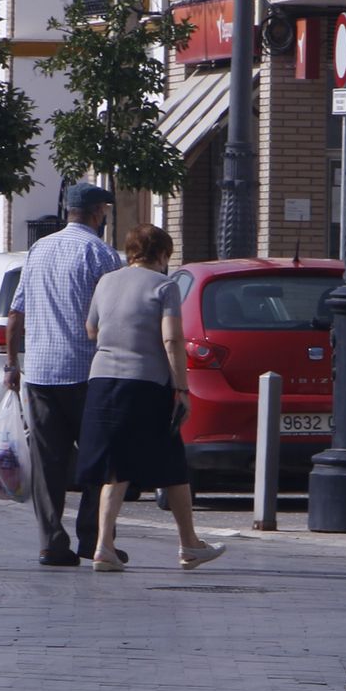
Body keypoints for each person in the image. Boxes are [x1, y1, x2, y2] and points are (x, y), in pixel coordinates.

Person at [77, 224, 225, 572]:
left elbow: (91, 329)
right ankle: (188, 544)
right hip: (144, 384)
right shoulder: (164, 286)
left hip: (102, 381)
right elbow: (172, 339)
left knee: (116, 464)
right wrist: (182, 389)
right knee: (172, 464)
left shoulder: (106, 282)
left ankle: (104, 547)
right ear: (161, 255)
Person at [5, 182, 124, 567]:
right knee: (97, 458)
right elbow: (114, 315)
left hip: (40, 373)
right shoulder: (102, 254)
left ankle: (51, 542)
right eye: (104, 211)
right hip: (88, 373)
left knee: (47, 462)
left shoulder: (39, 250)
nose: (105, 216)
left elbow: (15, 313)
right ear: (95, 213)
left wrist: (12, 363)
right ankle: (92, 539)